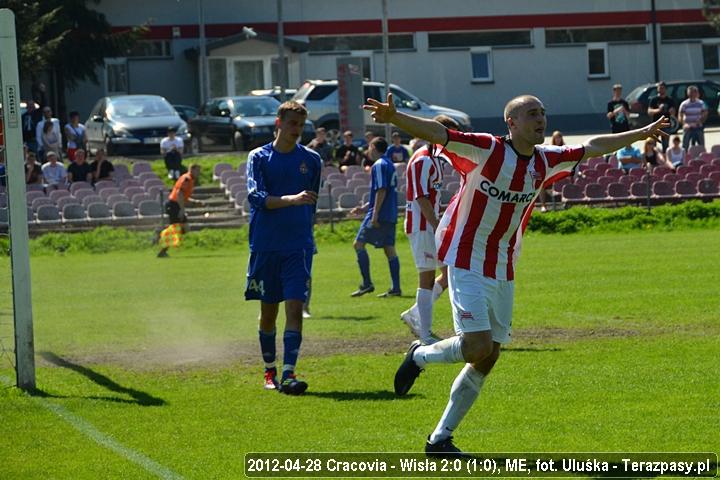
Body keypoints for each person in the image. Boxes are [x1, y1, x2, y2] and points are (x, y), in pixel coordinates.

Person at [363, 92, 669, 457]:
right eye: (532, 113)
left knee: (488, 356)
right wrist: (395, 118)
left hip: (503, 264)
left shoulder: (546, 159)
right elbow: (438, 133)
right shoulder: (488, 149)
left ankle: (440, 439)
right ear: (511, 122)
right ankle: (419, 356)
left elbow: (592, 146)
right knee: (476, 346)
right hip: (466, 257)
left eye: (542, 113)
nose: (541, 119)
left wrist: (640, 133)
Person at [244, 101, 321, 395]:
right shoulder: (258, 157)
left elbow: (312, 202)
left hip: (298, 246)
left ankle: (289, 374)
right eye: (292, 124)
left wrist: (306, 231)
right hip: (266, 245)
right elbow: (256, 197)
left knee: (295, 307)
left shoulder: (311, 160)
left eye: (301, 125)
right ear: (279, 123)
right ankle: (269, 370)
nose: (297, 130)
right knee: (268, 313)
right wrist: (291, 199)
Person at [400, 115, 460, 346]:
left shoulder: (436, 159)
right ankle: (424, 334)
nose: (452, 139)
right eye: (449, 134)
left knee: (449, 274)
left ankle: (415, 314)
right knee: (426, 277)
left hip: (431, 226)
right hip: (422, 226)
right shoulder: (423, 160)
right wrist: (437, 226)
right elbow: (421, 198)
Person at [349, 136, 401, 298]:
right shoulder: (389, 164)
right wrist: (364, 208)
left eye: (369, 147)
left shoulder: (378, 165)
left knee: (358, 244)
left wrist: (375, 214)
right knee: (389, 249)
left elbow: (381, 190)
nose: (368, 150)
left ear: (373, 147)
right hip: (391, 213)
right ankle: (396, 288)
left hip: (381, 214)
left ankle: (367, 284)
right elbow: (383, 191)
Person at [157, 164, 204, 258]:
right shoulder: (187, 179)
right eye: (197, 170)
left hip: (175, 205)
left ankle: (164, 242)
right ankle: (161, 239)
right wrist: (182, 209)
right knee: (178, 228)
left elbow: (183, 197)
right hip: (174, 206)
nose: (199, 173)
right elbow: (179, 194)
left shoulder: (189, 179)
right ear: (192, 170)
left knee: (183, 228)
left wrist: (195, 202)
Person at [647, 81, 676, 152]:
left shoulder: (670, 100)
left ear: (665, 89)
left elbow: (673, 113)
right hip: (655, 125)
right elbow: (649, 112)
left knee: (666, 146)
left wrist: (671, 111)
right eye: (659, 88)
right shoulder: (654, 100)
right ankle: (654, 157)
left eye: (662, 88)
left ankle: (665, 157)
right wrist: (658, 110)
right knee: (652, 145)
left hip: (666, 125)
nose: (660, 89)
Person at [678, 85, 708, 150]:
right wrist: (684, 124)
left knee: (701, 146)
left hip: (698, 127)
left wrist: (701, 121)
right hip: (688, 127)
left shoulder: (701, 103)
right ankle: (685, 155)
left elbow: (705, 113)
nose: (691, 94)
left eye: (693, 92)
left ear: (696, 93)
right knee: (685, 146)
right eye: (690, 92)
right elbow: (680, 115)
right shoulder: (684, 104)